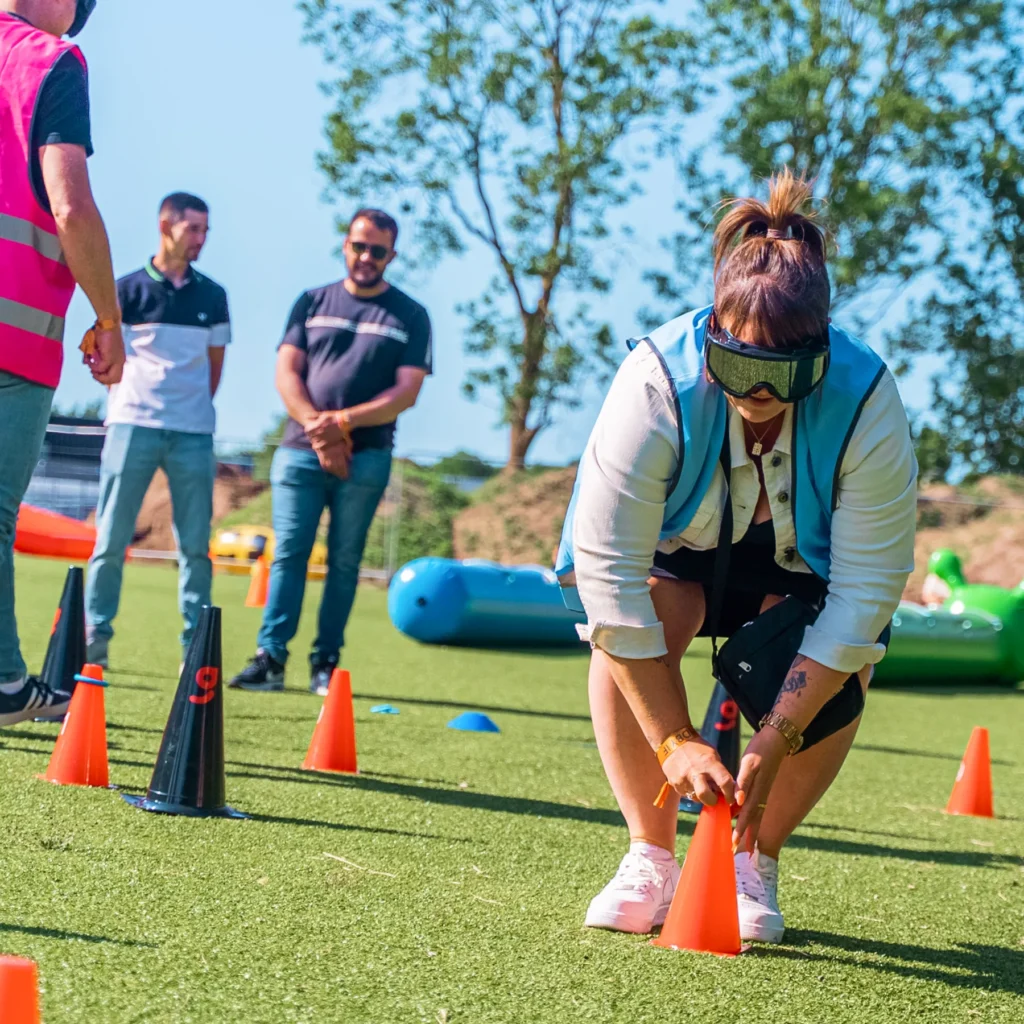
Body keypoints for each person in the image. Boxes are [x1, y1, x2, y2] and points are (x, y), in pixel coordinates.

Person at [555, 171, 917, 943]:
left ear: (818, 357)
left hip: (798, 575)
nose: (754, 390)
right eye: (734, 365)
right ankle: (649, 857)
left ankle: (753, 860)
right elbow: (609, 580)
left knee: (845, 661)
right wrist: (673, 739)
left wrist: (775, 735)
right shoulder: (655, 381)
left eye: (778, 375)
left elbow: (864, 598)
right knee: (648, 613)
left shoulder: (867, 399)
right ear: (712, 334)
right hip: (673, 561)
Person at [230, 208, 431, 695]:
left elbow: (405, 393)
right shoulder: (311, 301)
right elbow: (286, 373)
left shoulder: (410, 315)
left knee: (344, 561)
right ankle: (270, 658)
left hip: (367, 457)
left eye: (377, 250)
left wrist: (343, 423)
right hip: (299, 452)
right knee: (289, 556)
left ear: (391, 255)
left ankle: (325, 662)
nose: (366, 257)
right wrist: (319, 431)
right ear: (345, 245)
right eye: (358, 246)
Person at [0, 0, 124, 726]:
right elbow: (70, 207)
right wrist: (108, 318)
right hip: (13, 331)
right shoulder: (51, 62)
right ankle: (7, 684)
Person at [85, 192, 230, 668]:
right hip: (132, 424)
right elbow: (105, 357)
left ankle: (196, 652)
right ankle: (94, 644)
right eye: (194, 229)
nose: (202, 239)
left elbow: (214, 370)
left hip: (193, 433)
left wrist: (189, 410)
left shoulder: (215, 296)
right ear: (165, 224)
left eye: (206, 231)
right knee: (110, 540)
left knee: (195, 548)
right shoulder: (124, 290)